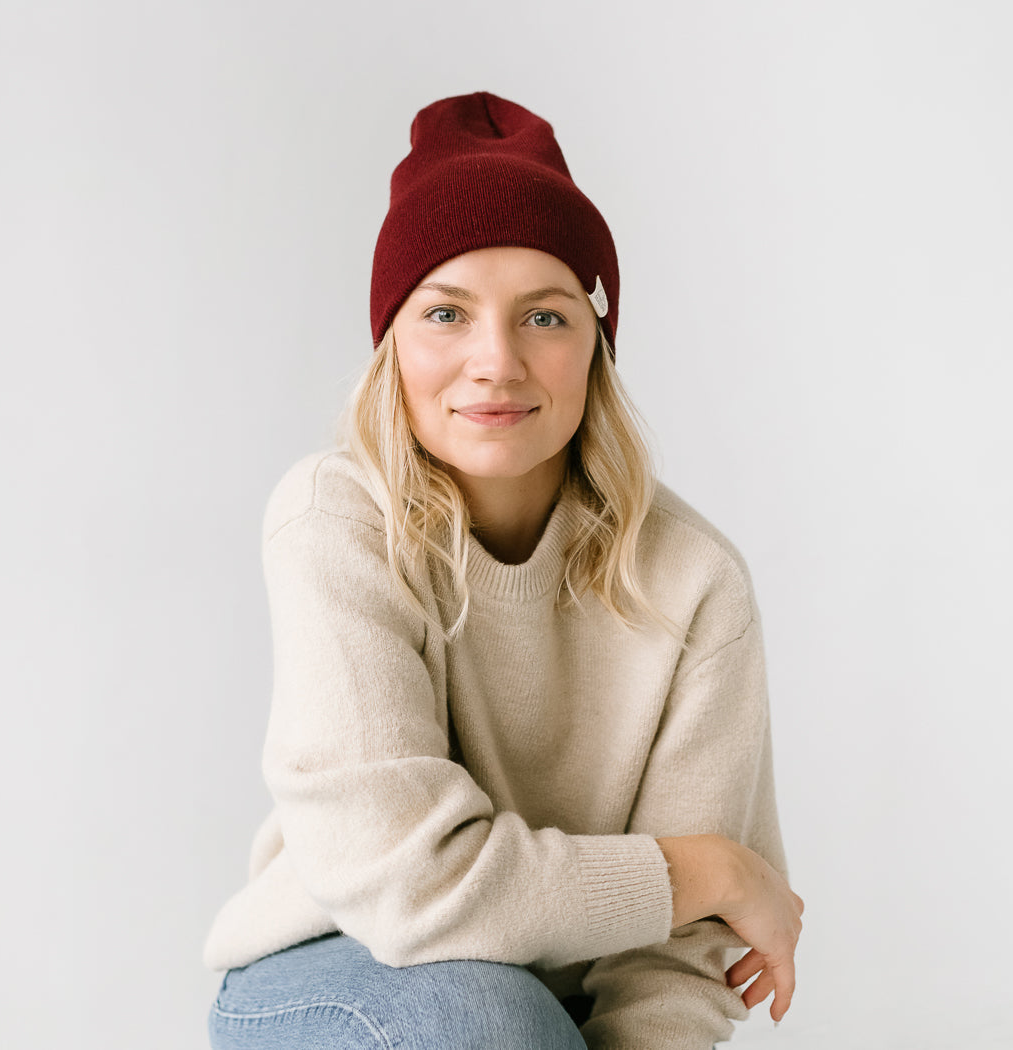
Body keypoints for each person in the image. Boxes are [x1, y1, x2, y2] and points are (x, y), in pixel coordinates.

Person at [204, 91, 803, 1050]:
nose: (496, 362)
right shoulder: (337, 519)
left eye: (545, 317)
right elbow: (411, 886)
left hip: (539, 1028)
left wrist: (689, 902)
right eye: (446, 312)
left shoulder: (694, 583)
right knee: (485, 1015)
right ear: (393, 343)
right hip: (336, 977)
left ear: (598, 346)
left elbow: (674, 969)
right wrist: (716, 871)